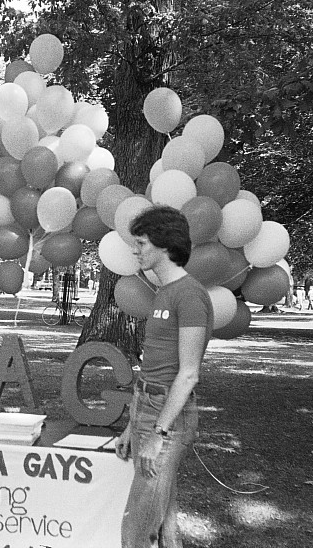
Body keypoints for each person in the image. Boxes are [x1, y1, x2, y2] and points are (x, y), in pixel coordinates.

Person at [115, 205, 213, 548]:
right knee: (163, 518)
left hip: (167, 418)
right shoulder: (164, 292)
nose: (135, 249)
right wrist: (132, 425)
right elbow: (155, 364)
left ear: (165, 245)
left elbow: (188, 375)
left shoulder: (190, 295)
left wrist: (159, 433)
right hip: (147, 405)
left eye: (141, 243)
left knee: (136, 529)